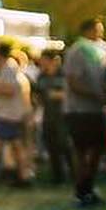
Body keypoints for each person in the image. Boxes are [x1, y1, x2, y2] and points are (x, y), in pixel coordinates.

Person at [64, 17, 106, 205]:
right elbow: (73, 81)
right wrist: (96, 95)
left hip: (95, 110)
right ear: (88, 30)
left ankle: (88, 187)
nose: (101, 32)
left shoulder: (99, 49)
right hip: (79, 110)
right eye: (98, 28)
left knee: (98, 149)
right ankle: (81, 190)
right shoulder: (77, 50)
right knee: (82, 151)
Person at [0, 41, 32, 186]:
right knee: (16, 147)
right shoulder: (6, 68)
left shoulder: (8, 69)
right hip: (10, 114)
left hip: (8, 115)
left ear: (0, 54)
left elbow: (11, 90)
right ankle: (23, 176)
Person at [35, 49, 71, 184]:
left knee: (65, 145)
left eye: (44, 60)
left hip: (63, 115)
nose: (42, 63)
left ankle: (73, 173)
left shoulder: (64, 74)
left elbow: (70, 93)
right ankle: (57, 176)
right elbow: (38, 93)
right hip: (48, 115)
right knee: (51, 145)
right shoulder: (41, 76)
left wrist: (57, 95)